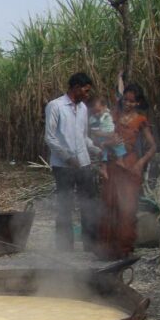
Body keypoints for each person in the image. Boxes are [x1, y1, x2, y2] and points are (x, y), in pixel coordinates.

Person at [95, 76, 157, 260]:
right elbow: (99, 135)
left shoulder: (140, 120)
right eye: (126, 100)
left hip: (130, 166)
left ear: (138, 102)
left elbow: (153, 146)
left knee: (127, 206)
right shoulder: (113, 115)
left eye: (132, 101)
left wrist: (140, 163)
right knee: (109, 204)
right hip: (113, 164)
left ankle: (124, 247)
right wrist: (107, 142)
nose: (128, 103)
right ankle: (106, 249)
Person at [44, 72, 102, 252]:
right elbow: (50, 138)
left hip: (83, 164)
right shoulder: (55, 106)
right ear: (76, 87)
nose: (87, 94)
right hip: (63, 166)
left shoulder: (83, 108)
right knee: (65, 206)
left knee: (89, 203)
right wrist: (68, 157)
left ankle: (90, 245)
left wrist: (98, 151)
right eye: (85, 90)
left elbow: (84, 138)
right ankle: (64, 247)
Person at [88, 95, 127, 179]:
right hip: (102, 137)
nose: (96, 114)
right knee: (103, 152)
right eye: (94, 112)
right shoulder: (93, 119)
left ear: (105, 107)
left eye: (98, 111)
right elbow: (96, 132)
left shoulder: (108, 113)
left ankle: (120, 160)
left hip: (111, 135)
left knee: (119, 143)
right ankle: (103, 168)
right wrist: (108, 135)